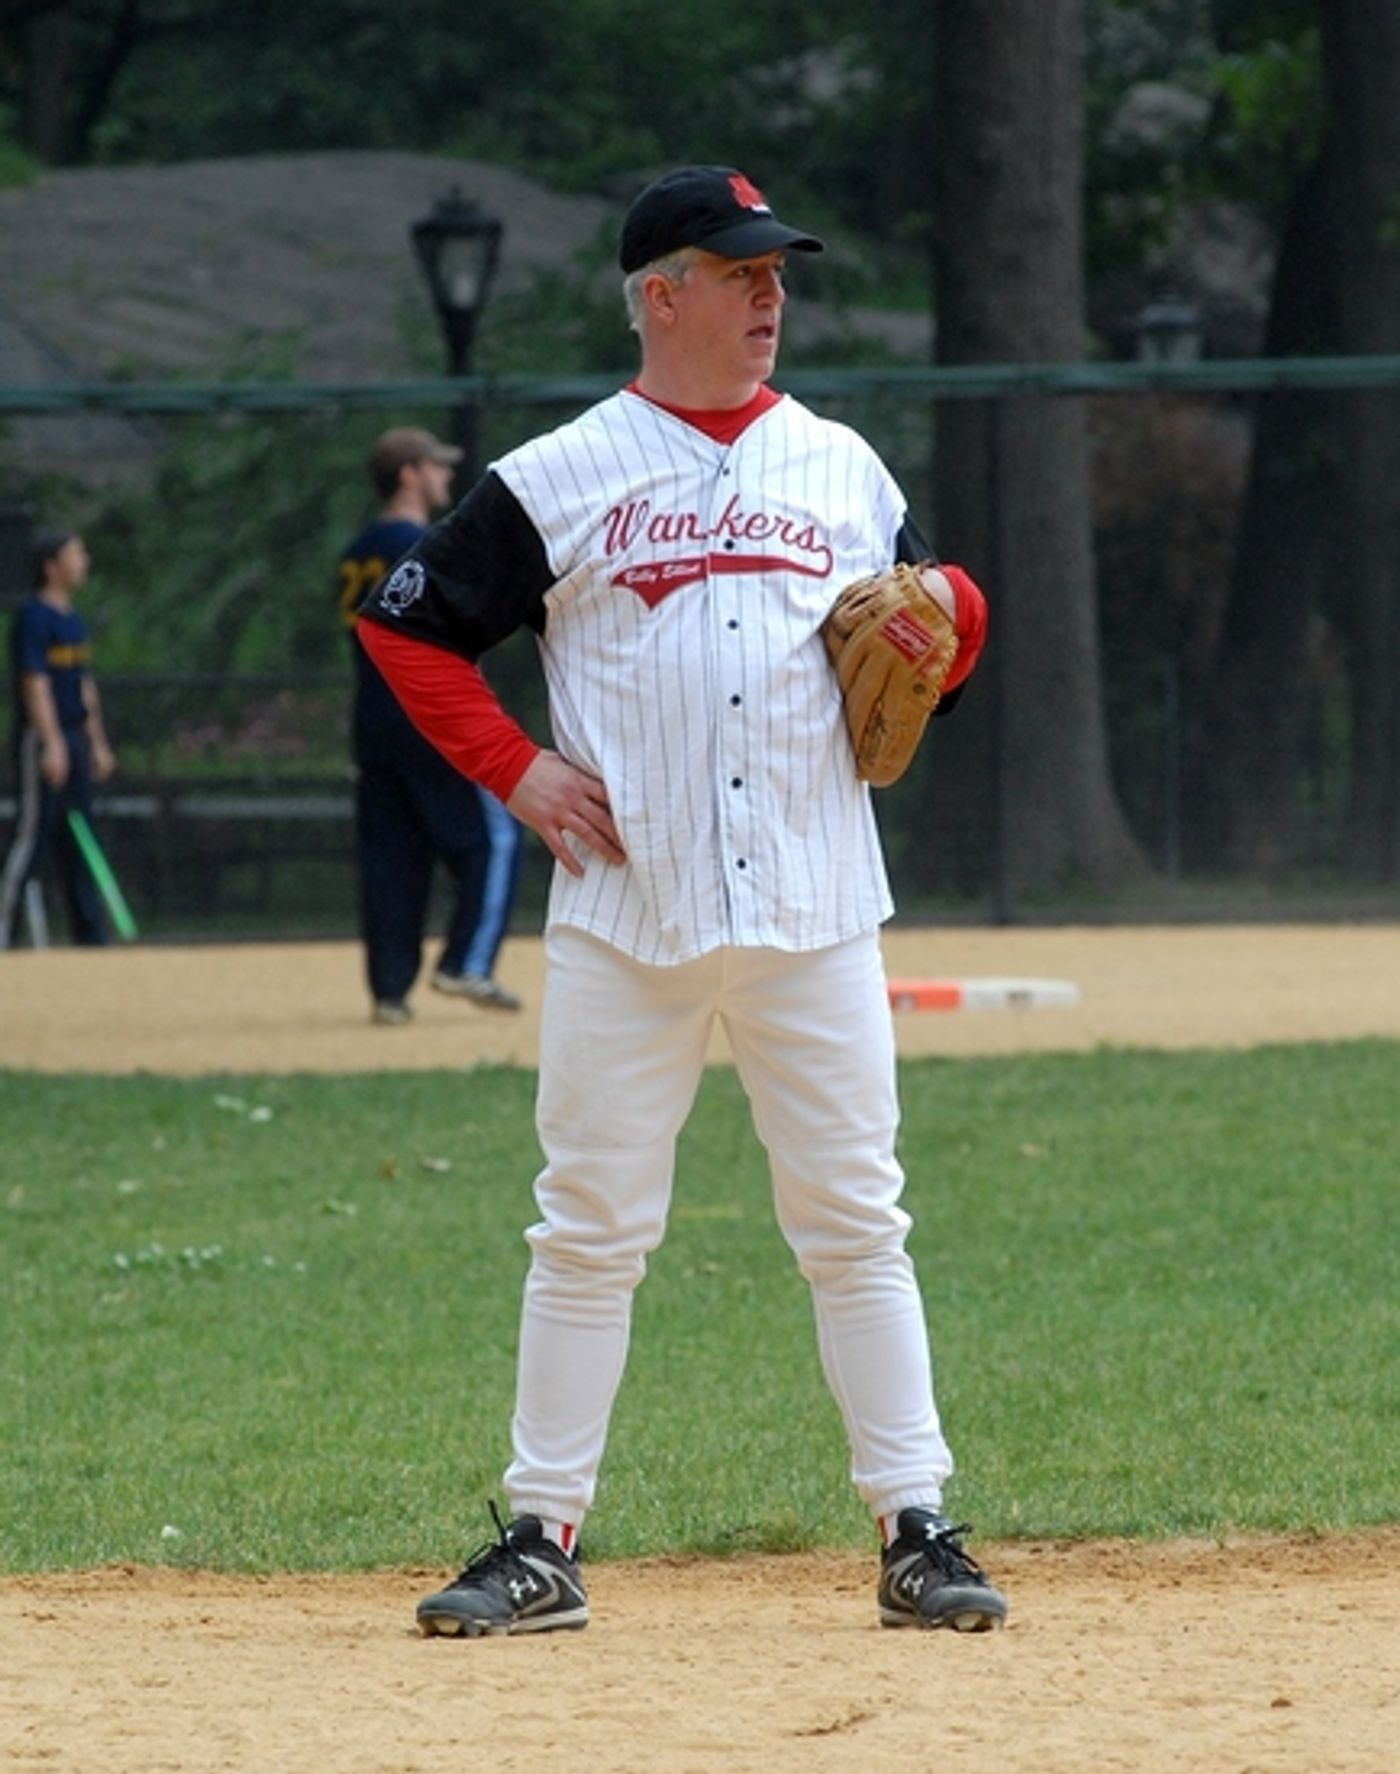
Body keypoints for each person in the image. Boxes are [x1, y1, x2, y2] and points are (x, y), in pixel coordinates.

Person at [356, 166, 1005, 1635]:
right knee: (587, 1226)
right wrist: (515, 770)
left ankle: (919, 1525)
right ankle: (540, 1535)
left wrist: (954, 630)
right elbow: (406, 632)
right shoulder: (560, 475)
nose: (772, 292)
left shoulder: (844, 469)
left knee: (855, 1219)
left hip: (818, 905)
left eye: (779, 270)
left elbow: (921, 666)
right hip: (625, 916)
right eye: (740, 269)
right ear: (663, 295)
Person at [337, 426, 524, 1023]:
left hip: (372, 720)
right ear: (409, 474)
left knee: (392, 856)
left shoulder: (356, 550)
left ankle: (389, 993)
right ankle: (465, 961)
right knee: (496, 838)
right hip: (427, 717)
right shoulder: (421, 545)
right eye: (436, 467)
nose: (445, 477)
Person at [1, 528, 117, 949]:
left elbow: (82, 684)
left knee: (79, 837)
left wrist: (96, 742)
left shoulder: (72, 619)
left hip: (74, 736)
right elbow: (35, 683)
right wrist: (52, 743)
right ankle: (4, 932)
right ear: (52, 566)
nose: (83, 560)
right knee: (33, 836)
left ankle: (90, 935)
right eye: (76, 553)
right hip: (44, 739)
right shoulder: (34, 617)